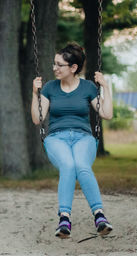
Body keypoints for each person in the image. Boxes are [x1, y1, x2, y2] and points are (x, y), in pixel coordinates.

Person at [31, 42, 113, 239]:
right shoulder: (50, 88)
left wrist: (105, 87)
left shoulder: (88, 88)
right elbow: (37, 118)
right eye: (54, 63)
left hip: (83, 137)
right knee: (68, 165)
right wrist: (35, 93)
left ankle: (99, 215)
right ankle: (64, 218)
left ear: (73, 68)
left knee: (82, 166)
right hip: (56, 138)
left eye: (59, 65)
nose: (54, 68)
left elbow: (107, 114)